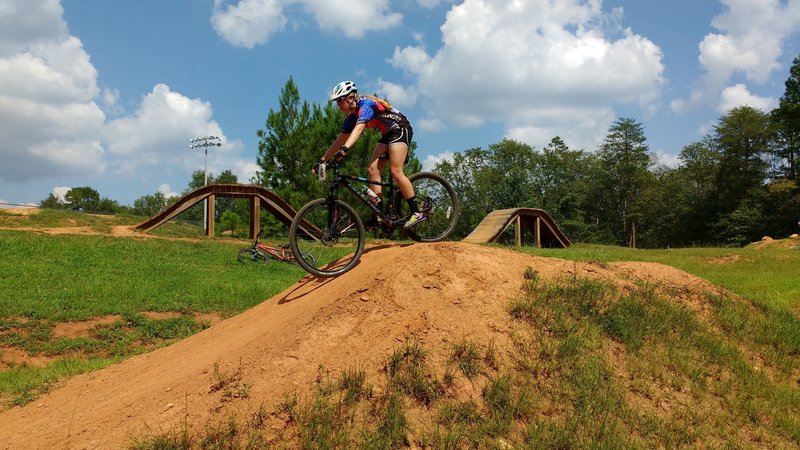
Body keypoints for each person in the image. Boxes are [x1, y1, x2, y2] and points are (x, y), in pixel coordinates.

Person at [315, 80, 425, 229]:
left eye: (340, 100)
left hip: (400, 128)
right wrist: (322, 160)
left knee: (395, 171)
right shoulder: (351, 117)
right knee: (372, 170)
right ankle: (380, 214)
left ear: (351, 97)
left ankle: (417, 212)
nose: (338, 105)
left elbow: (359, 130)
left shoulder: (365, 105)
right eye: (336, 102)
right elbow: (339, 140)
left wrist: (345, 149)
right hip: (387, 134)